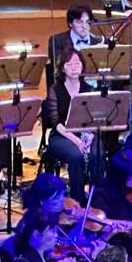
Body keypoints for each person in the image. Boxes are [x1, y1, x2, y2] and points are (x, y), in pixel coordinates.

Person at [43, 47, 96, 202]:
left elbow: (93, 118)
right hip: (61, 135)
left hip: (86, 133)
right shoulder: (55, 89)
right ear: (62, 68)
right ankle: (77, 200)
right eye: (69, 64)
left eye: (77, 63)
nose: (74, 68)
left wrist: (90, 137)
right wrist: (77, 141)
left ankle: (96, 198)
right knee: (76, 155)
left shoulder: (88, 89)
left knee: (97, 153)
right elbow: (56, 122)